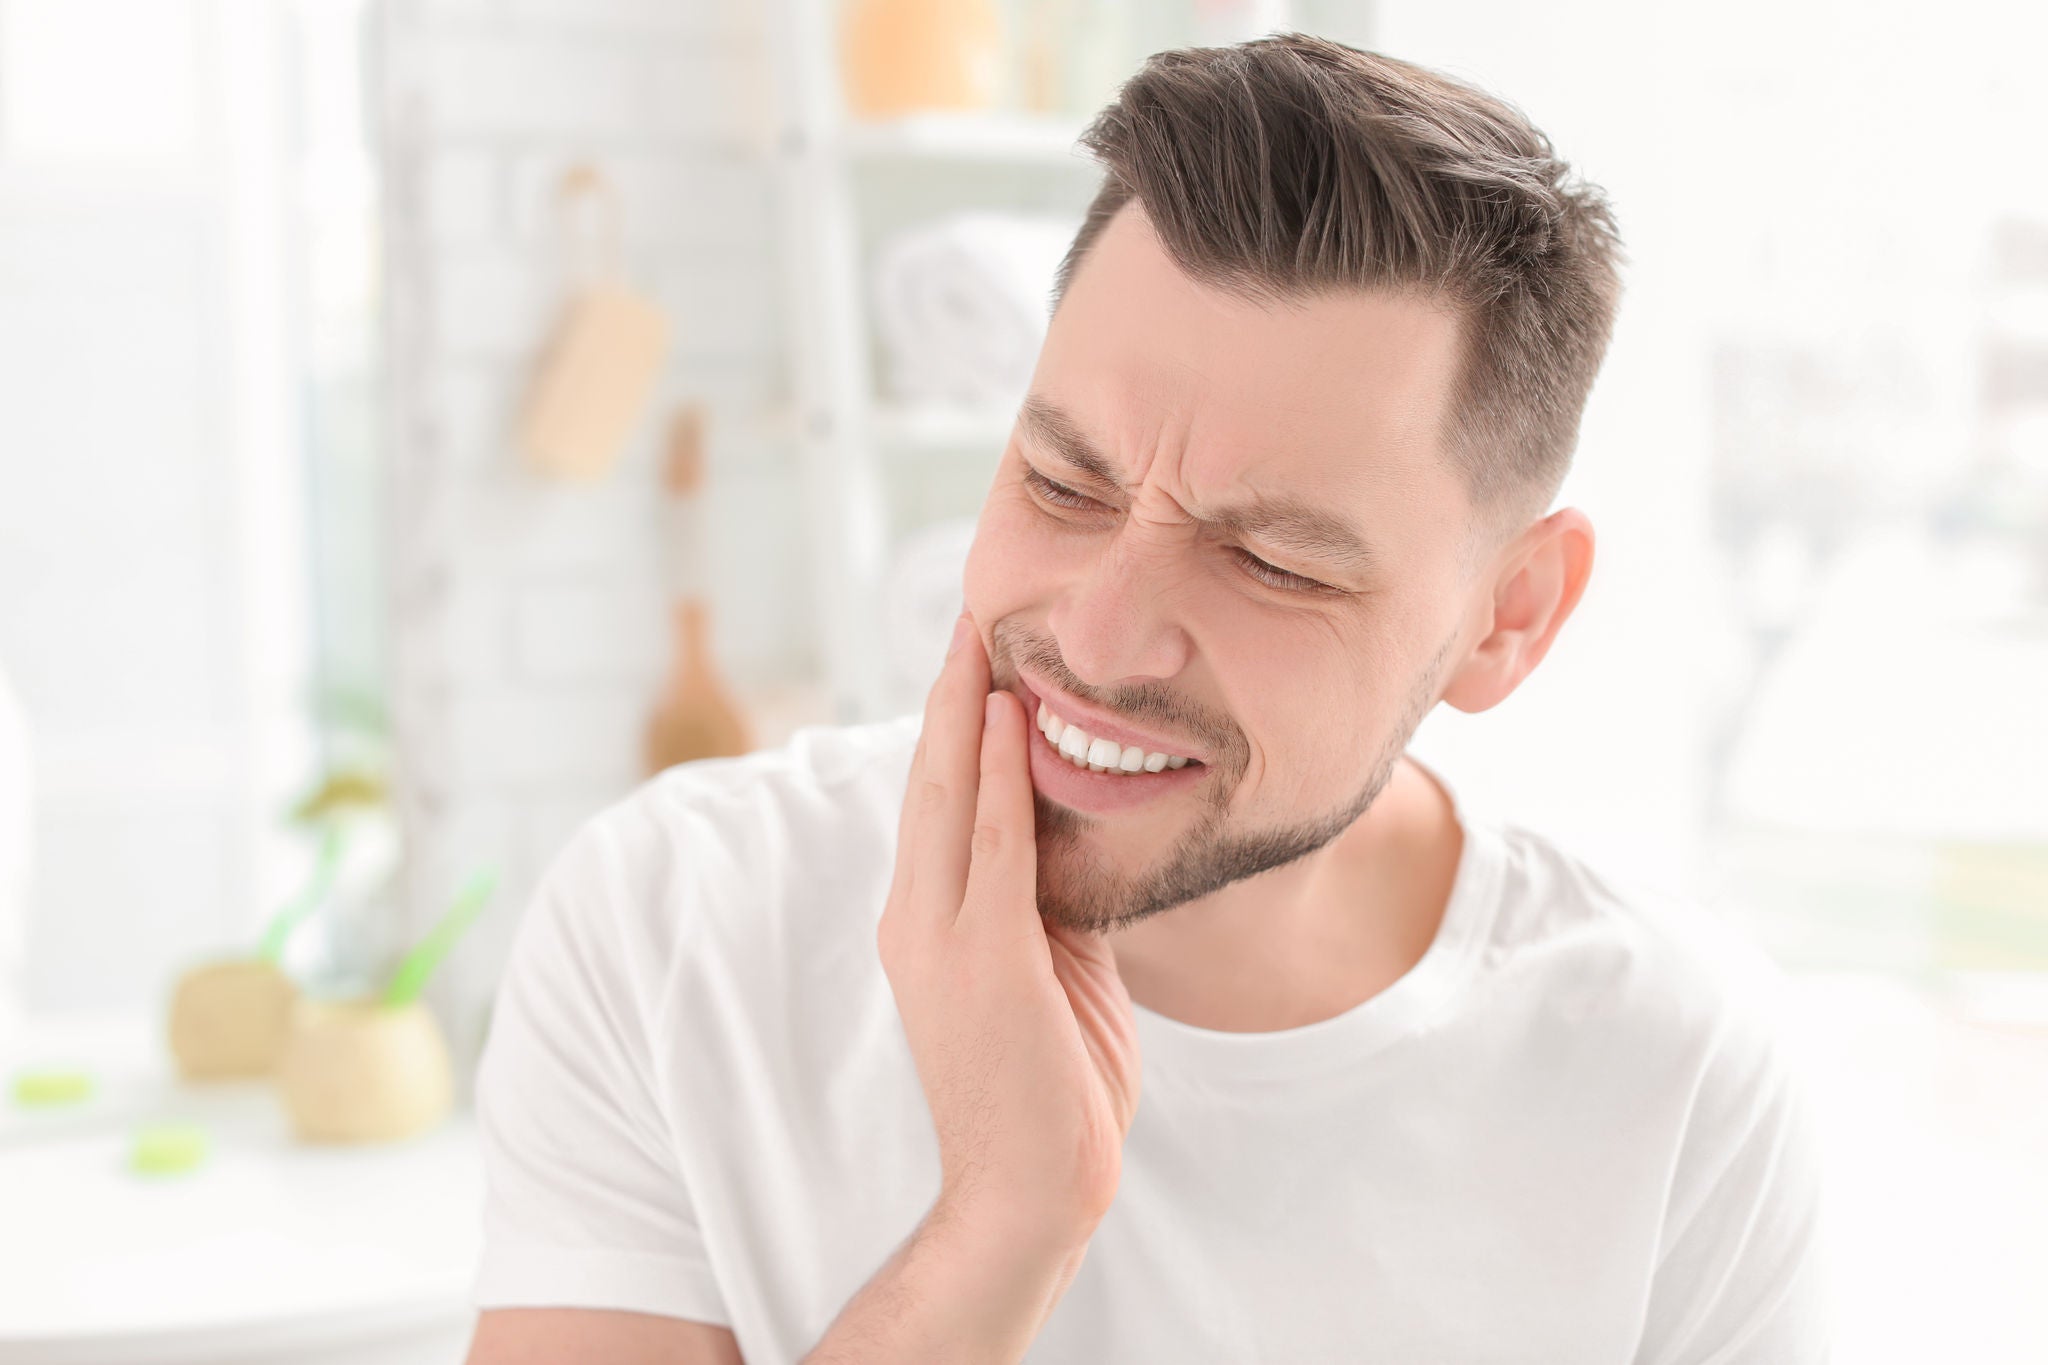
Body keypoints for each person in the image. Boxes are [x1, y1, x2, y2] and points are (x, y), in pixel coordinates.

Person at [463, 32, 1829, 1365]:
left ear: (1508, 616)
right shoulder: (675, 926)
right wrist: (1002, 1227)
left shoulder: (1674, 1077)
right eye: (1063, 483)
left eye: (1274, 561)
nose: (1103, 638)